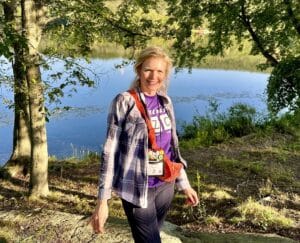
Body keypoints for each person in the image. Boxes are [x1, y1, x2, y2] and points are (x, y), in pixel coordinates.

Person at [90, 46, 199, 243]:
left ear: (165, 75)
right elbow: (110, 151)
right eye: (148, 69)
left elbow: (171, 148)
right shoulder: (124, 101)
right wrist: (102, 201)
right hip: (138, 189)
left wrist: (184, 184)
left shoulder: (165, 101)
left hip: (166, 185)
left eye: (159, 71)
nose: (153, 76)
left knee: (151, 237)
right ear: (139, 70)